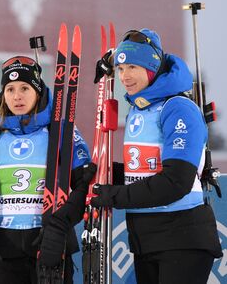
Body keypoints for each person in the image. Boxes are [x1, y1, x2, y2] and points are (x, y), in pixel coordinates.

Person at [91, 29, 222, 284]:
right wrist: (101, 174)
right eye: (120, 69)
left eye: (132, 67)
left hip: (181, 238)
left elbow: (176, 182)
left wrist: (113, 196)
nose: (124, 76)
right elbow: (143, 171)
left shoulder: (178, 107)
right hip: (147, 239)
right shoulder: (140, 109)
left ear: (151, 67)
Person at [0, 56, 95, 283]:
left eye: (25, 88)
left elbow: (85, 186)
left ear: (38, 92)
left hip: (51, 246)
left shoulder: (60, 132)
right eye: (10, 89)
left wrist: (60, 226)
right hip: (5, 251)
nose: (17, 96)